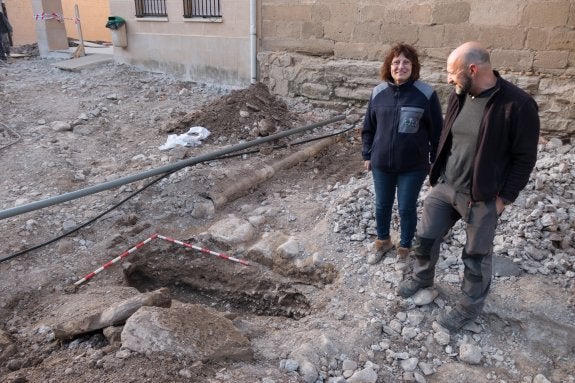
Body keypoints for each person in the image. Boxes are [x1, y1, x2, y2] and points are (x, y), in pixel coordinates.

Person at [397, 41, 540, 332]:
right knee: (424, 237)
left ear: (472, 69)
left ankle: (468, 308)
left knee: (475, 257)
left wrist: (504, 199)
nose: (448, 78)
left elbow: (525, 158)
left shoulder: (518, 104)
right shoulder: (459, 95)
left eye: (452, 72)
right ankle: (422, 277)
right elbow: (448, 136)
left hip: (482, 197)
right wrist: (437, 175)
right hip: (446, 186)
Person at [361, 43, 443, 265]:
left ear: (413, 66)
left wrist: (435, 162)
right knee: (382, 206)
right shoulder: (378, 93)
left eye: (406, 62)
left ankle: (405, 246)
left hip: (413, 166)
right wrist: (367, 155)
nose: (401, 66)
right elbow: (368, 128)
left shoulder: (426, 94)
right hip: (381, 164)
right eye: (396, 62)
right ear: (389, 66)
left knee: (406, 207)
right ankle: (383, 241)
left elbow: (437, 132)